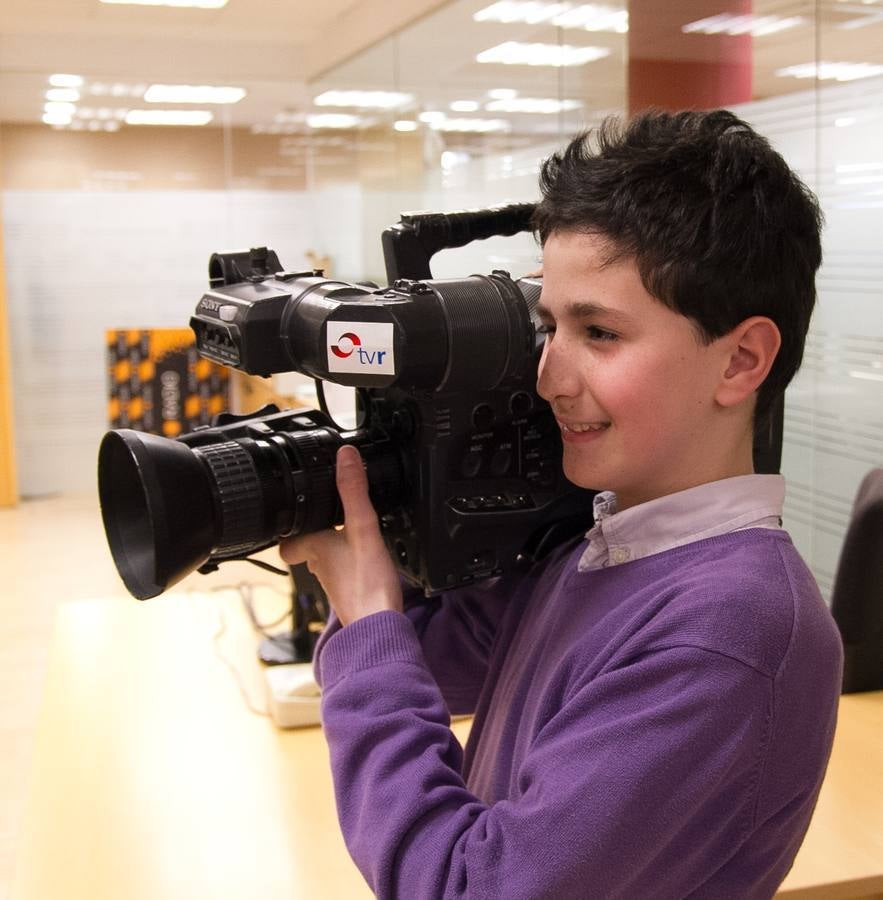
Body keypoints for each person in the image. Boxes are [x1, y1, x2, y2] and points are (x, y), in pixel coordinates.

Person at [280, 109, 843, 899]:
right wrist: (406, 513)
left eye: (599, 333)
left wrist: (371, 623)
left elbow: (464, 887)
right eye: (548, 326)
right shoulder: (600, 542)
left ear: (740, 361)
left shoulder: (727, 630)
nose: (549, 377)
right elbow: (436, 670)